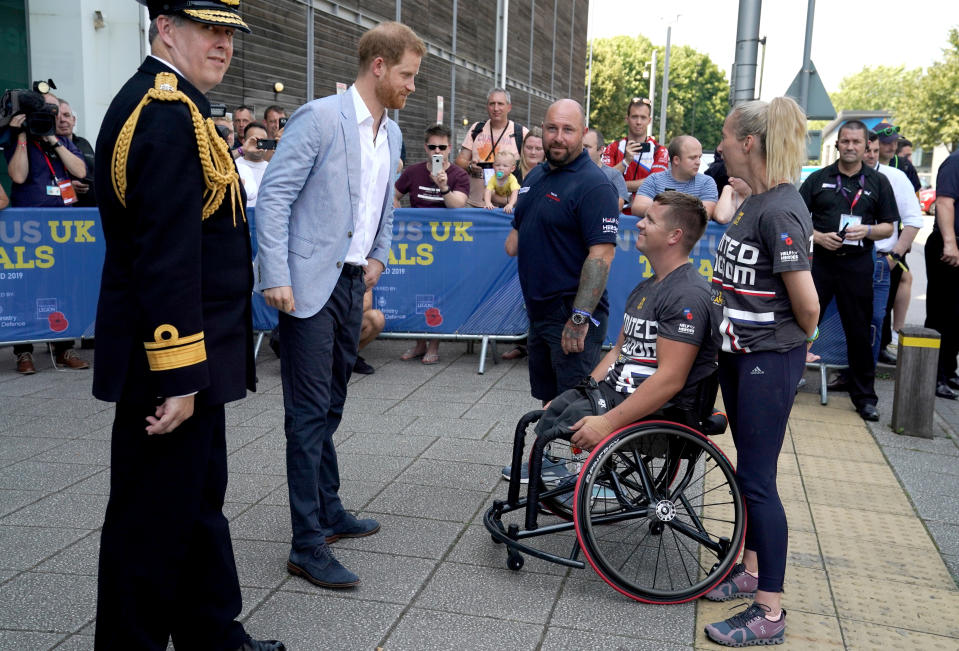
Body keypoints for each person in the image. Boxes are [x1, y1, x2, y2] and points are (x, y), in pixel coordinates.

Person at [92, 2, 283, 649]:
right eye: (210, 29)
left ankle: (211, 633)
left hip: (195, 360)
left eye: (230, 33)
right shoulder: (165, 115)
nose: (224, 44)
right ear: (165, 29)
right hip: (169, 364)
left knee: (196, 504)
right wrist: (179, 376)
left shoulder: (180, 108)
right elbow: (165, 256)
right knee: (150, 524)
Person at [256, 21, 425, 589]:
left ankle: (328, 510)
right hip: (304, 287)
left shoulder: (393, 133)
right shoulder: (321, 117)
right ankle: (306, 545)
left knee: (330, 406)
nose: (410, 86)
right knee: (306, 418)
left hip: (351, 285)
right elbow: (274, 196)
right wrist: (275, 274)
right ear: (378, 66)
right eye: (406, 75)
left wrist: (378, 256)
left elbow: (386, 204)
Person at [703, 97, 820, 648]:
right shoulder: (754, 201)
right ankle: (748, 569)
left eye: (725, 137)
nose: (720, 145)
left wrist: (781, 345)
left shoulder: (779, 210)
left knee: (758, 480)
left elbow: (809, 307)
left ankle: (768, 610)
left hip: (765, 359)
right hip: (741, 354)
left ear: (748, 143)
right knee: (751, 469)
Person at [528, 192, 718, 457]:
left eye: (649, 220)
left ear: (674, 236)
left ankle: (553, 476)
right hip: (612, 392)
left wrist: (607, 423)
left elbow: (671, 379)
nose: (639, 223)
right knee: (550, 412)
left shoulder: (687, 294)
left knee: (553, 430)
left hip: (654, 411)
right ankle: (548, 478)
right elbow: (618, 351)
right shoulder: (646, 287)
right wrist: (582, 391)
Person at [507, 98, 619, 402]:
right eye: (552, 128)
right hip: (539, 312)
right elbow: (518, 236)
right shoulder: (536, 176)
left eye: (568, 129)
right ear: (542, 130)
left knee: (572, 407)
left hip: (571, 316)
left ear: (582, 133)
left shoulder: (594, 185)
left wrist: (579, 318)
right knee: (549, 401)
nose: (558, 136)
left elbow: (602, 256)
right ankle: (548, 451)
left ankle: (584, 452)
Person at [800, 120, 896, 421]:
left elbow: (888, 227)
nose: (850, 147)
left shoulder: (878, 182)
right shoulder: (818, 179)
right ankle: (788, 381)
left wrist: (867, 230)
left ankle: (865, 397)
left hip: (857, 266)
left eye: (857, 142)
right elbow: (797, 219)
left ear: (866, 145)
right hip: (822, 264)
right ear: (838, 144)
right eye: (845, 141)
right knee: (803, 324)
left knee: (858, 330)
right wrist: (816, 236)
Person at [5, 90, 90, 374]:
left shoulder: (63, 141)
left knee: (62, 286)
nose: (51, 119)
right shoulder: (19, 140)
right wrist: (21, 137)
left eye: (54, 114)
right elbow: (18, 176)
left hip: (61, 226)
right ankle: (23, 352)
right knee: (27, 288)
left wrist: (53, 141)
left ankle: (64, 346)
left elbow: (79, 171)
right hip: (29, 227)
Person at [393, 123, 469, 365]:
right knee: (414, 292)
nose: (438, 151)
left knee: (438, 294)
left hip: (446, 247)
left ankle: (434, 344)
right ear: (426, 147)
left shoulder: (458, 175)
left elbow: (458, 205)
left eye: (442, 147)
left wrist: (443, 186)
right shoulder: (413, 172)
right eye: (433, 146)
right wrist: (398, 215)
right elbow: (393, 195)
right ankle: (419, 343)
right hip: (416, 247)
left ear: (449, 149)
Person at [454, 88, 528, 207]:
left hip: (505, 208)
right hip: (474, 205)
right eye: (492, 104)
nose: (496, 108)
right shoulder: (476, 129)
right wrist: (469, 165)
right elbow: (459, 161)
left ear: (509, 107)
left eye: (500, 104)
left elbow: (531, 167)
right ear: (487, 106)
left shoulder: (521, 133)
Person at [925, 147, 959, 399]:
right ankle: (933, 376)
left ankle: (949, 370)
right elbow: (944, 202)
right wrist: (950, 243)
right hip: (950, 246)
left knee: (957, 317)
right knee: (942, 314)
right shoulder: (954, 162)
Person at [601, 97, 668, 214]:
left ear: (649, 120)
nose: (638, 122)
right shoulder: (613, 147)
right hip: (615, 213)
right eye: (634, 117)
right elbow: (604, 179)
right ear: (627, 119)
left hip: (645, 215)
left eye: (643, 117)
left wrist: (618, 185)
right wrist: (625, 161)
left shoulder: (660, 150)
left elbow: (655, 183)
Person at [632, 135, 719, 218]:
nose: (698, 162)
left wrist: (661, 211)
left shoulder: (707, 182)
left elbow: (705, 214)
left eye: (699, 157)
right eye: (693, 158)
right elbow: (638, 207)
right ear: (676, 160)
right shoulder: (654, 179)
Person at [56, 98, 97, 207]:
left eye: (66, 115)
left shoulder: (84, 143)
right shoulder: (47, 147)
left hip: (92, 210)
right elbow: (41, 187)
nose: (62, 120)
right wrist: (67, 188)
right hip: (67, 214)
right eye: (57, 117)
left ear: (73, 120)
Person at [583, 127, 630, 212]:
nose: (582, 150)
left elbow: (617, 207)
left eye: (587, 147)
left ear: (601, 150)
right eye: (580, 146)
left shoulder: (614, 175)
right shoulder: (569, 172)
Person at [873, 122, 921, 192]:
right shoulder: (864, 164)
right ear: (874, 143)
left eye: (895, 142)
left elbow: (915, 195)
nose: (893, 147)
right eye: (887, 143)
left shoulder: (905, 165)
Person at [235, 120, 270, 207]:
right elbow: (221, 161)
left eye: (263, 141)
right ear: (244, 141)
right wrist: (242, 149)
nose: (259, 145)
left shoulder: (272, 169)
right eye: (254, 140)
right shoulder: (234, 164)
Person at [354, 289, 385, 374]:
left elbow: (367, 304)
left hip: (348, 315)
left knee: (377, 318)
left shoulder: (360, 276)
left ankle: (351, 355)